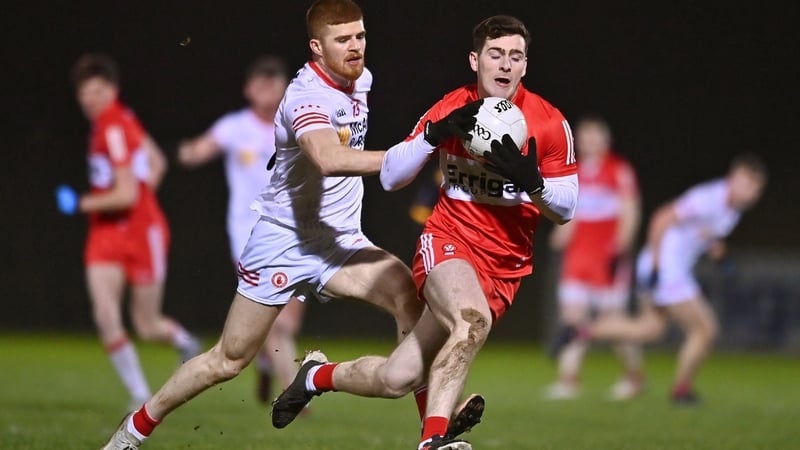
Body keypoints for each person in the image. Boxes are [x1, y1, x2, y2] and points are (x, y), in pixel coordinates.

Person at [99, 1, 481, 448]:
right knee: (228, 359)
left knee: (410, 299)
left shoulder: (363, 79)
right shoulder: (306, 97)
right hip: (284, 242)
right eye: (343, 40)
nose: (355, 47)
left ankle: (430, 433)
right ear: (317, 47)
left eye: (360, 36)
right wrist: (413, 151)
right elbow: (328, 157)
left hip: (340, 242)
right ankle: (134, 429)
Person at [271, 15, 579, 450]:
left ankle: (316, 375)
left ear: (525, 65)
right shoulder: (451, 106)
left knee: (398, 377)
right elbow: (392, 177)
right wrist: (433, 136)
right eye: (495, 54)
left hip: (503, 267)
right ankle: (434, 440)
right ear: (476, 60)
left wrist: (533, 182)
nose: (505, 65)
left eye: (515, 56)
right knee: (471, 323)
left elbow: (565, 208)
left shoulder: (547, 123)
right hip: (449, 242)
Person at [550, 153, 768, 404]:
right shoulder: (710, 197)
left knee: (650, 329)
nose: (749, 191)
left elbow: (706, 233)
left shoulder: (732, 210)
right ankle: (681, 390)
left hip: (668, 268)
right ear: (733, 178)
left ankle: (581, 331)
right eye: (746, 183)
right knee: (705, 330)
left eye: (755, 187)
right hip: (666, 267)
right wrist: (655, 266)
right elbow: (662, 218)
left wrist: (720, 257)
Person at [55, 53, 201, 409]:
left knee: (147, 324)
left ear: (112, 90)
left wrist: (81, 204)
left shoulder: (114, 126)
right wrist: (140, 191)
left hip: (141, 233)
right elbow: (157, 162)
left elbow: (125, 194)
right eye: (84, 92)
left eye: (98, 90)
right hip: (106, 234)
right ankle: (139, 395)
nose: (90, 98)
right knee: (104, 313)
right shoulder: (118, 120)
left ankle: (185, 343)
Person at [177, 55, 304, 404]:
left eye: (274, 84)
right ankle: (293, 392)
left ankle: (266, 363)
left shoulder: (294, 125)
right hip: (250, 236)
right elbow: (199, 150)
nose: (268, 92)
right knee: (275, 320)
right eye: (261, 85)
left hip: (294, 230)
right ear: (249, 89)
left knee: (287, 322)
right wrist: (186, 152)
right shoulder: (235, 127)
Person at [544, 114, 643, 401]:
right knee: (571, 318)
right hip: (577, 259)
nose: (589, 142)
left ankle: (633, 377)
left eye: (595, 136)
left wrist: (621, 247)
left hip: (606, 258)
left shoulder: (618, 170)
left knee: (612, 322)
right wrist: (560, 234)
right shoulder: (572, 171)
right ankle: (568, 380)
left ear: (606, 140)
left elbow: (630, 210)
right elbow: (569, 212)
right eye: (585, 137)